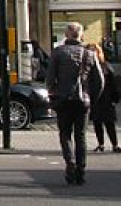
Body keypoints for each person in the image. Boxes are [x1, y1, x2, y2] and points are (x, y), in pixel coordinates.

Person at [47, 22, 104, 185]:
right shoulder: (89, 54)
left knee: (65, 134)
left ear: (66, 35)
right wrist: (91, 97)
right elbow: (99, 81)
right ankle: (81, 170)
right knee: (81, 136)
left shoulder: (58, 52)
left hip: (63, 99)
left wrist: (52, 92)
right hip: (83, 100)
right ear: (81, 36)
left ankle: (70, 161)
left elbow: (50, 78)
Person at [87, 42, 119, 153]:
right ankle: (100, 144)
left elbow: (113, 84)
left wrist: (115, 98)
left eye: (94, 51)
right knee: (97, 122)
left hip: (106, 98)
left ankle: (115, 144)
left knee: (109, 123)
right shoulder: (88, 66)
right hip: (94, 98)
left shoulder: (105, 66)